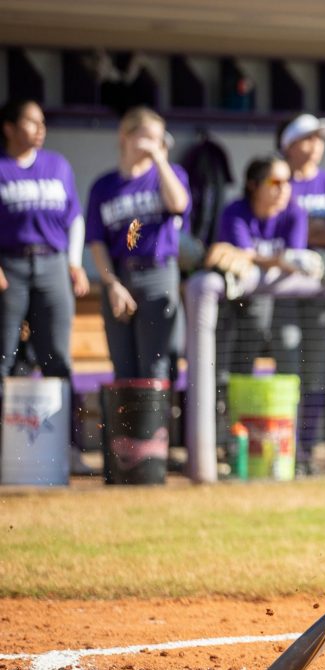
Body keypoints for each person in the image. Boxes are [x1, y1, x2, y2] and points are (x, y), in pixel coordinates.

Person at [0, 99, 90, 472]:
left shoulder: (57, 165)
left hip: (52, 264)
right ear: (9, 127)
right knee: (4, 357)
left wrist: (74, 262)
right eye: (31, 122)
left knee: (57, 357)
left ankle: (69, 448)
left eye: (42, 122)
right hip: (10, 266)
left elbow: (75, 217)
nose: (40, 129)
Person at [207, 154, 321, 437]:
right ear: (253, 185)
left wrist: (272, 259)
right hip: (231, 308)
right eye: (275, 181)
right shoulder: (235, 210)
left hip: (277, 308)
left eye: (287, 182)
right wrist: (277, 259)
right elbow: (246, 256)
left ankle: (290, 445)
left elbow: (291, 261)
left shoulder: (294, 212)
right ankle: (219, 442)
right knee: (223, 375)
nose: (284, 189)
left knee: (282, 368)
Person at [85, 106, 190, 381]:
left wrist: (160, 159)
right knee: (124, 368)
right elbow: (97, 243)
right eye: (147, 136)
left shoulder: (168, 174)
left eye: (159, 137)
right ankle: (129, 426)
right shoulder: (104, 186)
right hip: (120, 274)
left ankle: (158, 426)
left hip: (158, 272)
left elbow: (178, 204)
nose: (153, 143)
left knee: (156, 367)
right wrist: (112, 284)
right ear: (125, 136)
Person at [277, 113, 325, 475]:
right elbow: (275, 229)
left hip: (321, 290)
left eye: (319, 139)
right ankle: (286, 446)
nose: (315, 146)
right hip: (283, 290)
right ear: (289, 145)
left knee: (317, 369)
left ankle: (306, 447)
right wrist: (302, 235)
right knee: (288, 364)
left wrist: (298, 236)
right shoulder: (279, 178)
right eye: (307, 139)